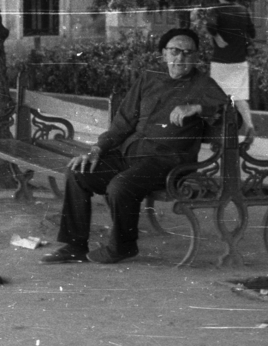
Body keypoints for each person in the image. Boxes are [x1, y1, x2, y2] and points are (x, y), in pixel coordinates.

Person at [42, 26, 231, 265]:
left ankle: (122, 247)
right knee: (78, 172)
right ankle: (74, 246)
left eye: (187, 53)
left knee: (120, 186)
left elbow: (235, 117)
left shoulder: (204, 85)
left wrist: (198, 108)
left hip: (167, 162)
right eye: (175, 51)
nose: (180, 58)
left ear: (195, 57)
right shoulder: (149, 78)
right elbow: (123, 122)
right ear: (164, 54)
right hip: (130, 154)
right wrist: (97, 149)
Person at [203, 0, 256, 140]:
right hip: (240, 61)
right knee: (239, 97)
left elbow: (210, 26)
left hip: (220, 61)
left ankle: (216, 134)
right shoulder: (243, 10)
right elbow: (252, 32)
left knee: (215, 97)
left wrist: (218, 37)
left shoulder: (216, 10)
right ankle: (249, 125)